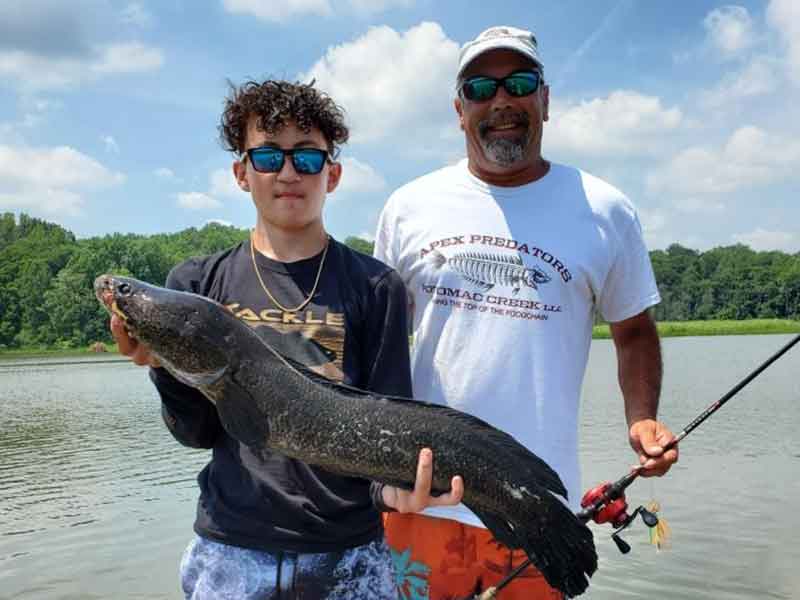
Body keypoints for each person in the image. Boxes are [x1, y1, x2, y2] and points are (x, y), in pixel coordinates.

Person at [109, 79, 462, 600]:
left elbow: (387, 427)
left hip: (350, 554)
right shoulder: (195, 286)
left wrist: (394, 491)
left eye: (308, 157)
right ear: (241, 172)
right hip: (230, 549)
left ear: (333, 174)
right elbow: (198, 433)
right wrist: (162, 367)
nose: (289, 172)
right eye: (269, 155)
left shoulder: (375, 287)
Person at [374, 26, 679, 600]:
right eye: (481, 88)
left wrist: (641, 418)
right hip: (420, 500)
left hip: (539, 511)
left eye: (519, 83)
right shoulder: (408, 206)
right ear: (459, 109)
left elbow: (634, 329)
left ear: (545, 98)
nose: (502, 101)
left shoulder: (605, 210)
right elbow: (377, 345)